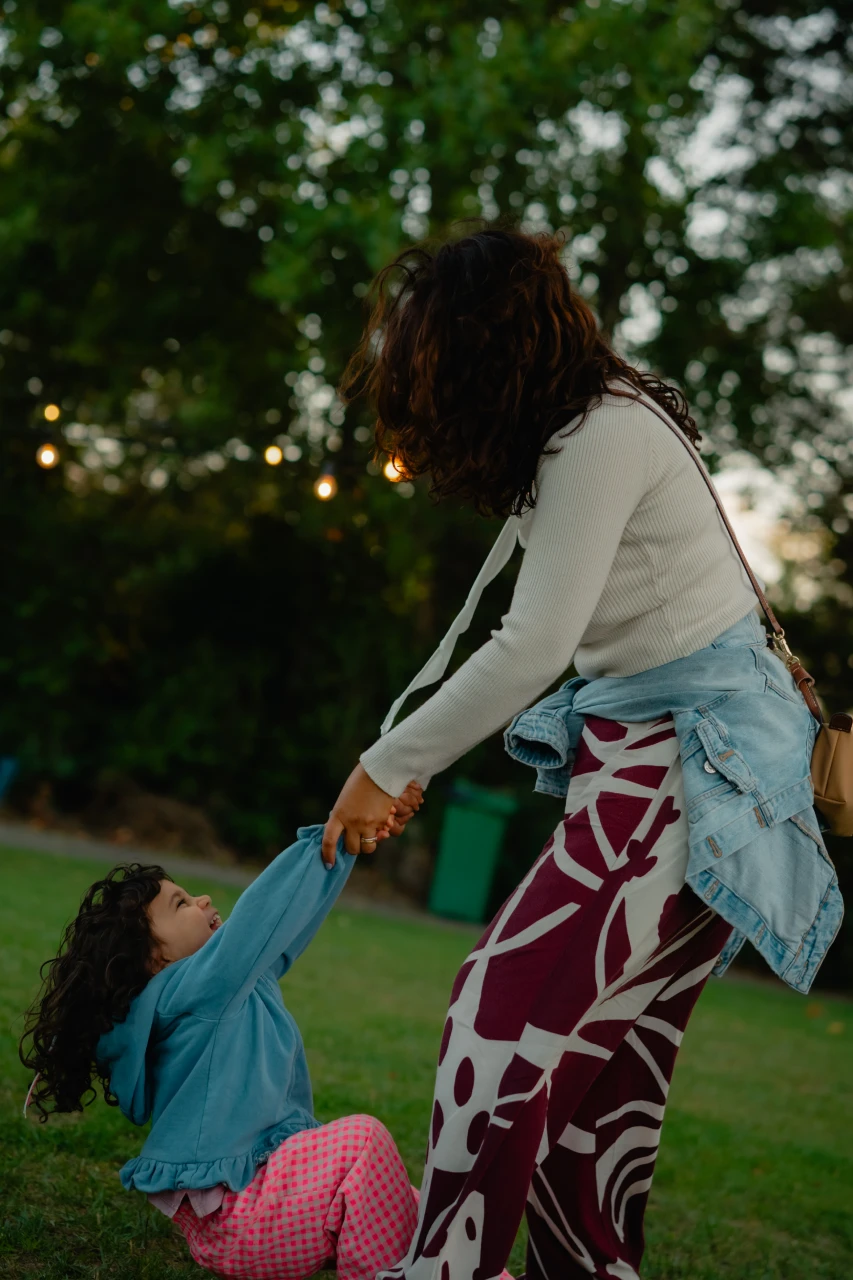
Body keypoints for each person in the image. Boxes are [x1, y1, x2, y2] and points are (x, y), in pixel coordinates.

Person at [321, 225, 842, 1280]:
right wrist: (404, 755)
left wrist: (387, 763)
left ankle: (446, 1269)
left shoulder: (597, 434)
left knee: (502, 1013)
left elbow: (532, 646)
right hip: (690, 767)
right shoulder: (599, 424)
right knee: (598, 1088)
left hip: (688, 766)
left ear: (485, 353)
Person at [19, 792, 439, 1280]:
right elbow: (261, 916)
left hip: (264, 1203)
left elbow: (289, 921)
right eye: (181, 904)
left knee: (412, 1203)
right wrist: (333, 828)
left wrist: (347, 839)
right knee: (362, 1143)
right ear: (155, 958)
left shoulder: (229, 984)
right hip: (246, 1216)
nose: (202, 900)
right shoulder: (194, 990)